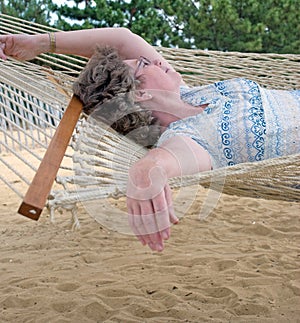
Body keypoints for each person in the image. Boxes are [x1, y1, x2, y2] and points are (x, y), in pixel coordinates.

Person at [0, 29, 299, 252]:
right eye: (144, 64)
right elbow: (162, 162)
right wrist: (144, 170)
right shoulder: (189, 138)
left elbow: (121, 38)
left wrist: (42, 43)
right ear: (139, 94)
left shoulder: (190, 92)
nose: (155, 60)